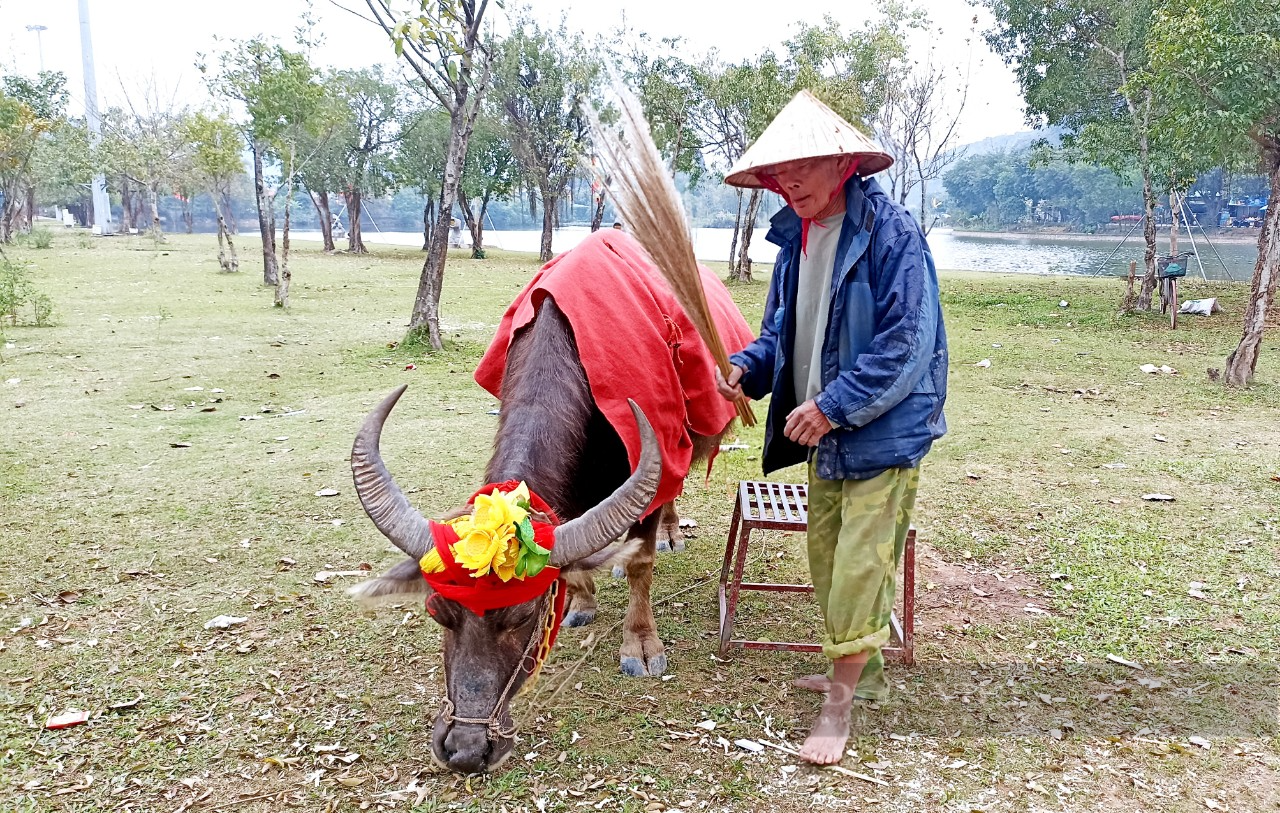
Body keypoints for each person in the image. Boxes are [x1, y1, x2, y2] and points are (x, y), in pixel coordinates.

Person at [714, 90, 948, 765]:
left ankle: (836, 709)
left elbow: (907, 343)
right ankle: (859, 671)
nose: (788, 184)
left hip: (882, 431)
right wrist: (743, 368)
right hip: (823, 435)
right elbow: (778, 337)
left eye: (803, 168)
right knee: (827, 564)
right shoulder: (795, 240)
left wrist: (834, 404)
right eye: (778, 175)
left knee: (857, 569)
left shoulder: (891, 233)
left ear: (844, 162)